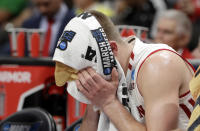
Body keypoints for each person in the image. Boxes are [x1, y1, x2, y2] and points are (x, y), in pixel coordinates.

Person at [66, 10, 195, 131]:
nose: (85, 73)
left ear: (111, 49)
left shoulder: (158, 65)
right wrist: (94, 99)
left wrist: (108, 102)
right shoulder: (104, 71)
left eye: (86, 64)